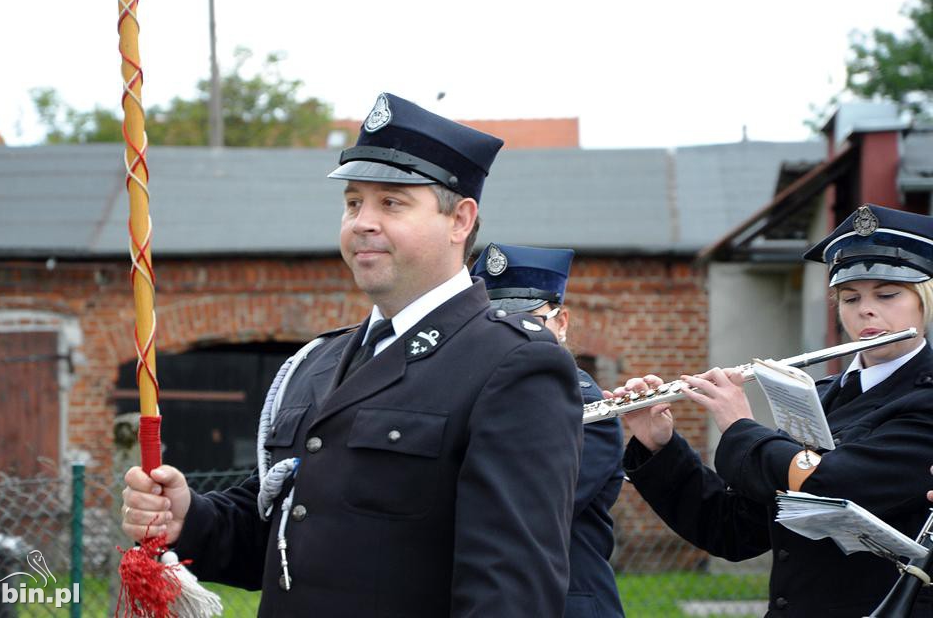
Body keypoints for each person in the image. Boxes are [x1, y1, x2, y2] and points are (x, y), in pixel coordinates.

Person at [120, 93, 584, 617]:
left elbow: (510, 594)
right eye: (352, 203)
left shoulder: (513, 365)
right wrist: (190, 518)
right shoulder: (318, 362)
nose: (362, 221)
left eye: (391, 202)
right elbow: (284, 536)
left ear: (460, 220)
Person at [612, 204, 933, 617]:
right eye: (850, 297)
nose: (866, 310)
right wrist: (659, 447)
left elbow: (833, 484)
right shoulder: (824, 396)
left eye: (887, 294)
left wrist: (739, 425)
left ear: (924, 300)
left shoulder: (924, 399)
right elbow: (732, 531)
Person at [471, 243, 626, 618]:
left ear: (562, 322)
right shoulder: (474, 390)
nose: (515, 335)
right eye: (499, 323)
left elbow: (527, 506)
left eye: (531, 321)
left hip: (566, 601)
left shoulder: (587, 404)